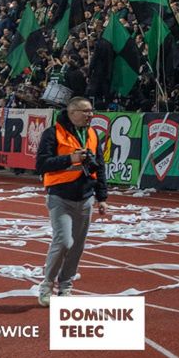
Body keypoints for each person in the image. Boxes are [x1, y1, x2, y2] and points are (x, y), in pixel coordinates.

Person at [35, 96, 108, 306]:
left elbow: (100, 166)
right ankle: (47, 285)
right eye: (85, 111)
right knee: (64, 241)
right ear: (72, 112)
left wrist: (102, 197)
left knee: (77, 246)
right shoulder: (53, 133)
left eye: (91, 111)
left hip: (85, 197)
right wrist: (71, 159)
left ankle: (65, 286)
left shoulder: (92, 134)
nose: (90, 115)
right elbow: (41, 164)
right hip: (60, 195)